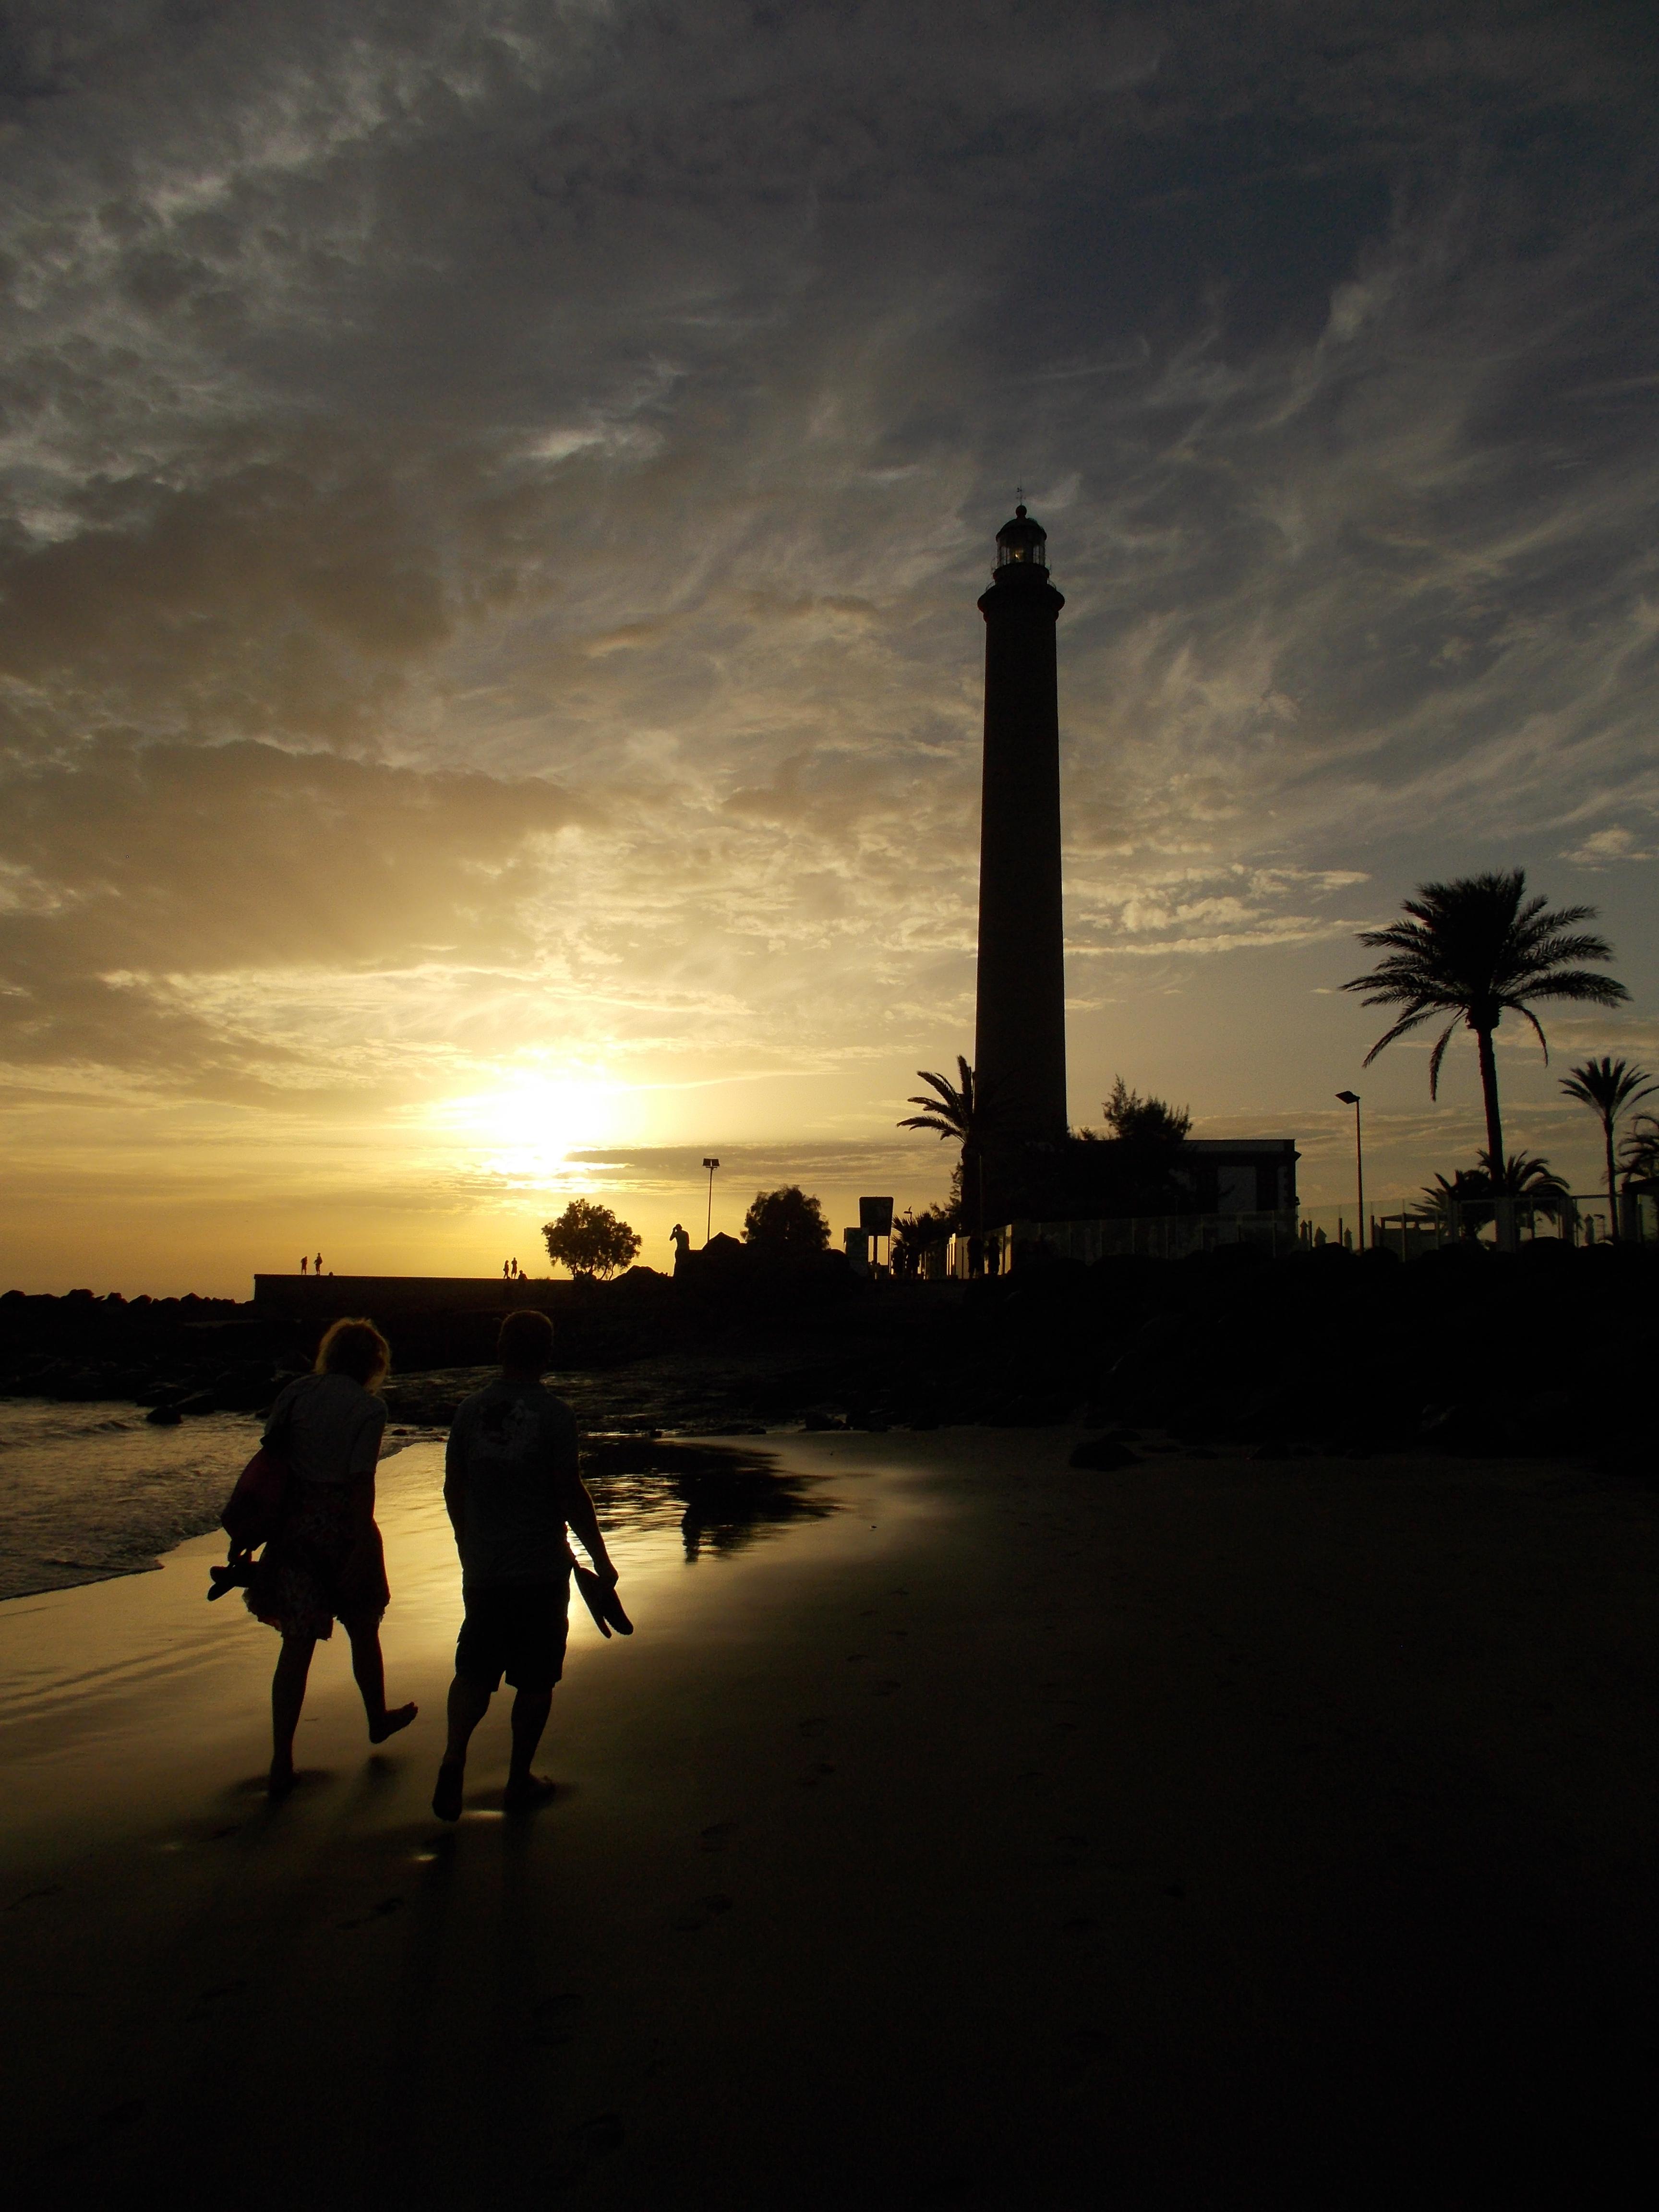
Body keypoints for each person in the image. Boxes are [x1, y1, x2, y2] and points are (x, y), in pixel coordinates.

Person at [432, 1308, 618, 1820]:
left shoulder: (470, 1410)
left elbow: (454, 1488)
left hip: (484, 1568)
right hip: (540, 1568)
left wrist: (467, 1544)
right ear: (547, 1355)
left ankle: (453, 1757)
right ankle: (518, 1780)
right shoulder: (555, 1416)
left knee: (474, 1667)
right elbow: (570, 1495)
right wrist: (601, 1561)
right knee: (535, 1680)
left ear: (500, 1350)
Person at [247, 1317, 416, 1796]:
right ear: (373, 1363)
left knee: (296, 1646)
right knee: (363, 1628)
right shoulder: (368, 1408)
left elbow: (270, 1456)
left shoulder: (297, 1393)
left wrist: (253, 1528)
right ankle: (377, 1717)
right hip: (343, 1526)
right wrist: (362, 1541)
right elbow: (361, 1479)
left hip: (295, 1528)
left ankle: (282, 1760)